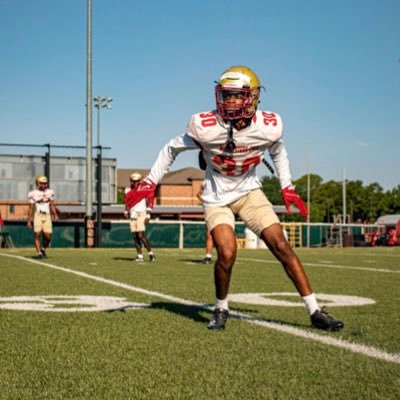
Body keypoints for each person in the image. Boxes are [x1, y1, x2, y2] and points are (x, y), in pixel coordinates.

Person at [124, 65, 344, 331]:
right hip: (217, 195)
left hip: (250, 192)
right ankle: (221, 308)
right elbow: (171, 148)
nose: (229, 101)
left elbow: (278, 151)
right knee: (227, 254)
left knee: (282, 246)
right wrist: (150, 181)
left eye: (235, 95)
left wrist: (287, 186)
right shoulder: (205, 126)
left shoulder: (268, 125)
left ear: (252, 97)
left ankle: (315, 311)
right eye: (225, 95)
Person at [124, 172, 156, 262]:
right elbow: (127, 202)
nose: (135, 183)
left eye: (137, 181)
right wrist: (126, 210)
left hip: (142, 212)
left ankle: (151, 253)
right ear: (131, 181)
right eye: (133, 181)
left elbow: (149, 201)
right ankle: (140, 256)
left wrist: (148, 215)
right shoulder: (127, 189)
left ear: (140, 181)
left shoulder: (144, 188)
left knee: (140, 234)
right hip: (133, 213)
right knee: (134, 235)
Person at [27, 176, 59, 259]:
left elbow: (52, 204)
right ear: (38, 184)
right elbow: (30, 208)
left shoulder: (50, 192)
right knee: (37, 234)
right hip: (38, 215)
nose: (45, 185)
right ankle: (39, 254)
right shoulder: (34, 193)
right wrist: (29, 220)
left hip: (47, 215)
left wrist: (55, 213)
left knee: (48, 237)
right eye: (42, 183)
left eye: (45, 183)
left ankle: (43, 249)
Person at [196, 183, 214, 264]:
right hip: (209, 213)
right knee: (209, 234)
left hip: (217, 211)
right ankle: (208, 256)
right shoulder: (206, 184)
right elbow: (198, 194)